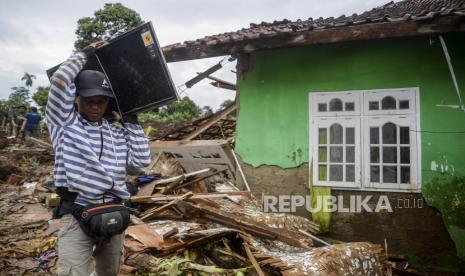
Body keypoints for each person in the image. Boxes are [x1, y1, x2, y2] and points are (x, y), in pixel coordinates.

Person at [46, 41, 151, 275]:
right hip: (77, 213)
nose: (95, 107)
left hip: (115, 213)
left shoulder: (116, 131)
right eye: (89, 100)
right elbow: (61, 80)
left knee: (109, 272)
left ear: (108, 102)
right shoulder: (64, 124)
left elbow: (139, 164)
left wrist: (132, 124)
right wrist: (84, 53)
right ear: (76, 99)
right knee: (72, 272)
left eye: (101, 101)